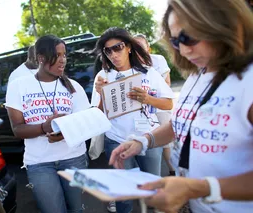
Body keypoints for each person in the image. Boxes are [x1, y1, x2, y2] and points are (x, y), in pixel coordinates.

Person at [109, 0, 253, 212]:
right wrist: (144, 141)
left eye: (189, 37)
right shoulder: (198, 74)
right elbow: (181, 124)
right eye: (176, 41)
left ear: (223, 26)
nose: (184, 50)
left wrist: (200, 188)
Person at [91, 27, 174, 213]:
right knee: (124, 197)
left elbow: (168, 104)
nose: (113, 54)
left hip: (149, 138)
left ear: (128, 47)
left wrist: (148, 99)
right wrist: (102, 94)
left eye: (117, 47)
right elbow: (98, 116)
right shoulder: (103, 77)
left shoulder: (148, 72)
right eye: (108, 50)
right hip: (117, 140)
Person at [5, 35, 90, 213]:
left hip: (74, 158)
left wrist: (65, 133)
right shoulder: (18, 86)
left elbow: (86, 122)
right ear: (41, 58)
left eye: (64, 55)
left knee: (77, 209)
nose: (63, 60)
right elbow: (17, 129)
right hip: (39, 163)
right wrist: (44, 127)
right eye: (57, 55)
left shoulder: (73, 86)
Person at [134, 34, 176, 176]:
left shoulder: (158, 60)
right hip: (145, 109)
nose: (138, 50)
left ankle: (172, 169)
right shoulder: (130, 65)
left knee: (166, 141)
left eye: (141, 46)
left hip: (158, 102)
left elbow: (167, 84)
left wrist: (152, 96)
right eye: (135, 47)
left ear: (148, 48)